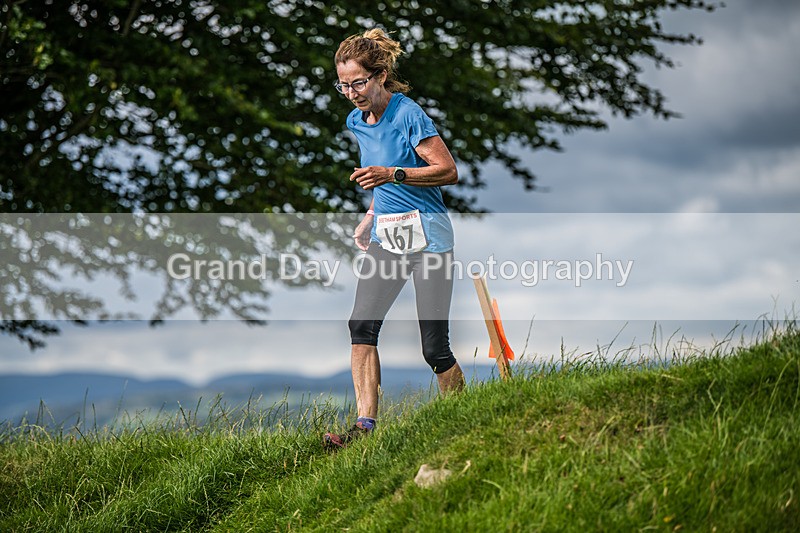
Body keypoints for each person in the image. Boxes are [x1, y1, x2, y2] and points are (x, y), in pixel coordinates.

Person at [323, 29, 466, 450]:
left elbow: (446, 170)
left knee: (434, 347)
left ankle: (459, 425)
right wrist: (371, 214)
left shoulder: (408, 114)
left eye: (358, 82)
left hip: (429, 237)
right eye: (343, 84)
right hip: (389, 234)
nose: (351, 93)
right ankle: (364, 428)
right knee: (361, 325)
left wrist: (392, 174)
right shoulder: (356, 121)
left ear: (381, 75)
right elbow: (381, 175)